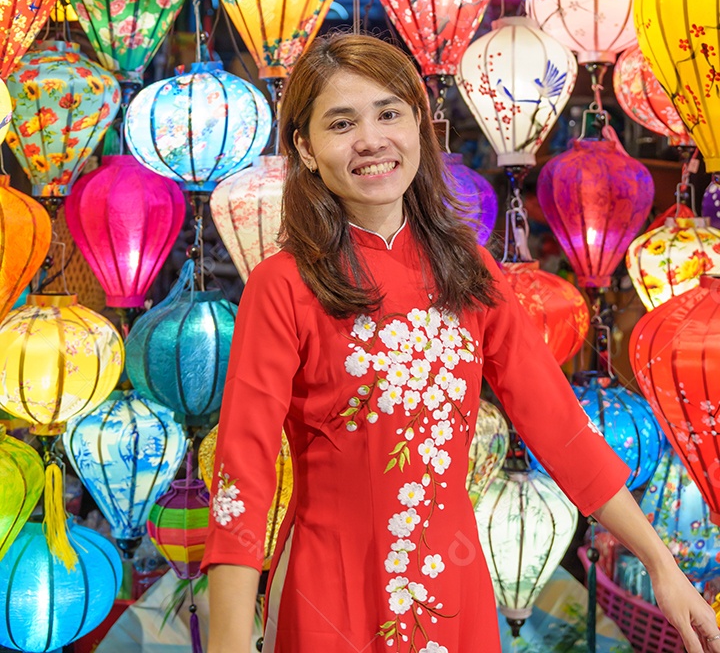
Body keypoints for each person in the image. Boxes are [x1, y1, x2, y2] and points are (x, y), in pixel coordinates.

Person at [203, 33, 719, 653]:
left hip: (453, 590)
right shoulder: (283, 285)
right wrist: (233, 639)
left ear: (420, 125)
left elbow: (556, 421)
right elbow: (244, 473)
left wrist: (662, 563)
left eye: (389, 113)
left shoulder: (467, 269)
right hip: (328, 587)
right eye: (342, 123)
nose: (371, 139)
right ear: (306, 150)